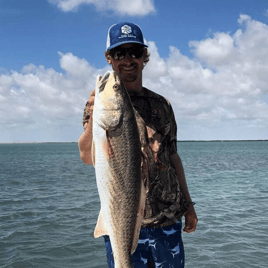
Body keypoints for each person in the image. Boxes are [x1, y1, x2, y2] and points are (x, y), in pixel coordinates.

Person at [78, 22, 198, 268]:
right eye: (120, 53)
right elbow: (87, 156)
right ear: (109, 58)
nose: (128, 59)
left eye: (135, 52)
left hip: (167, 221)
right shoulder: (96, 104)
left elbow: (173, 156)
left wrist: (188, 204)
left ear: (145, 57)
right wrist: (95, 118)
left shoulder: (162, 104)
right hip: (121, 222)